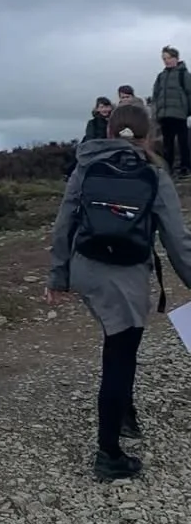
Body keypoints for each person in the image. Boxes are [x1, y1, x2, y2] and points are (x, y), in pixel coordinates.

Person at [46, 102, 191, 481]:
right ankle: (108, 453)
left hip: (86, 270)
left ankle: (125, 413)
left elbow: (64, 223)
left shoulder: (86, 166)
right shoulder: (153, 174)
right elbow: (177, 239)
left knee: (116, 343)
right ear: (149, 135)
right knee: (120, 356)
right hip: (125, 276)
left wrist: (58, 277)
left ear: (108, 131)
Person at [151, 46, 191, 177]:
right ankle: (168, 167)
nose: (167, 61)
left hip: (179, 114)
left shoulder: (183, 74)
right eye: (164, 58)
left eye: (169, 58)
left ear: (176, 58)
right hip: (164, 115)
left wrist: (187, 111)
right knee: (167, 143)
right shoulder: (161, 76)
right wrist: (156, 113)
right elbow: (156, 95)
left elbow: (189, 93)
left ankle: (185, 167)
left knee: (183, 141)